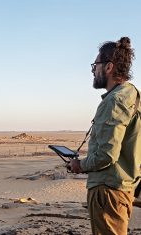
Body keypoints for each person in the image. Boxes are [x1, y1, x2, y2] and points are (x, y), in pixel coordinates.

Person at [69, 36, 141, 235]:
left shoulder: (114, 101)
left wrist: (79, 165)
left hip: (107, 192)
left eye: (95, 65)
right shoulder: (133, 95)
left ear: (109, 67)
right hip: (122, 188)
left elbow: (106, 155)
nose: (93, 70)